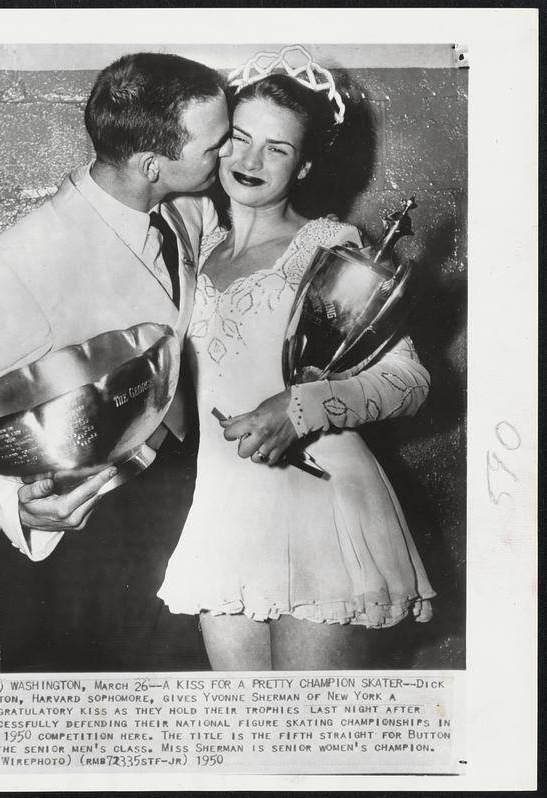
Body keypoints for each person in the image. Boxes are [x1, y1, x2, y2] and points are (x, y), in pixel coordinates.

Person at [0, 52, 231, 672]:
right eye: (216, 146)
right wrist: (24, 506)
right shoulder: (13, 265)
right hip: (91, 532)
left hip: (185, 507)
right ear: (153, 165)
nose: (227, 154)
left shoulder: (190, 210)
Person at [158, 47, 436, 670]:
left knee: (312, 752)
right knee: (249, 746)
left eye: (277, 149)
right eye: (238, 138)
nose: (251, 161)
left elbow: (410, 380)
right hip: (226, 514)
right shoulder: (192, 249)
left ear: (305, 164)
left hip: (323, 509)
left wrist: (301, 405)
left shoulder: (333, 247)